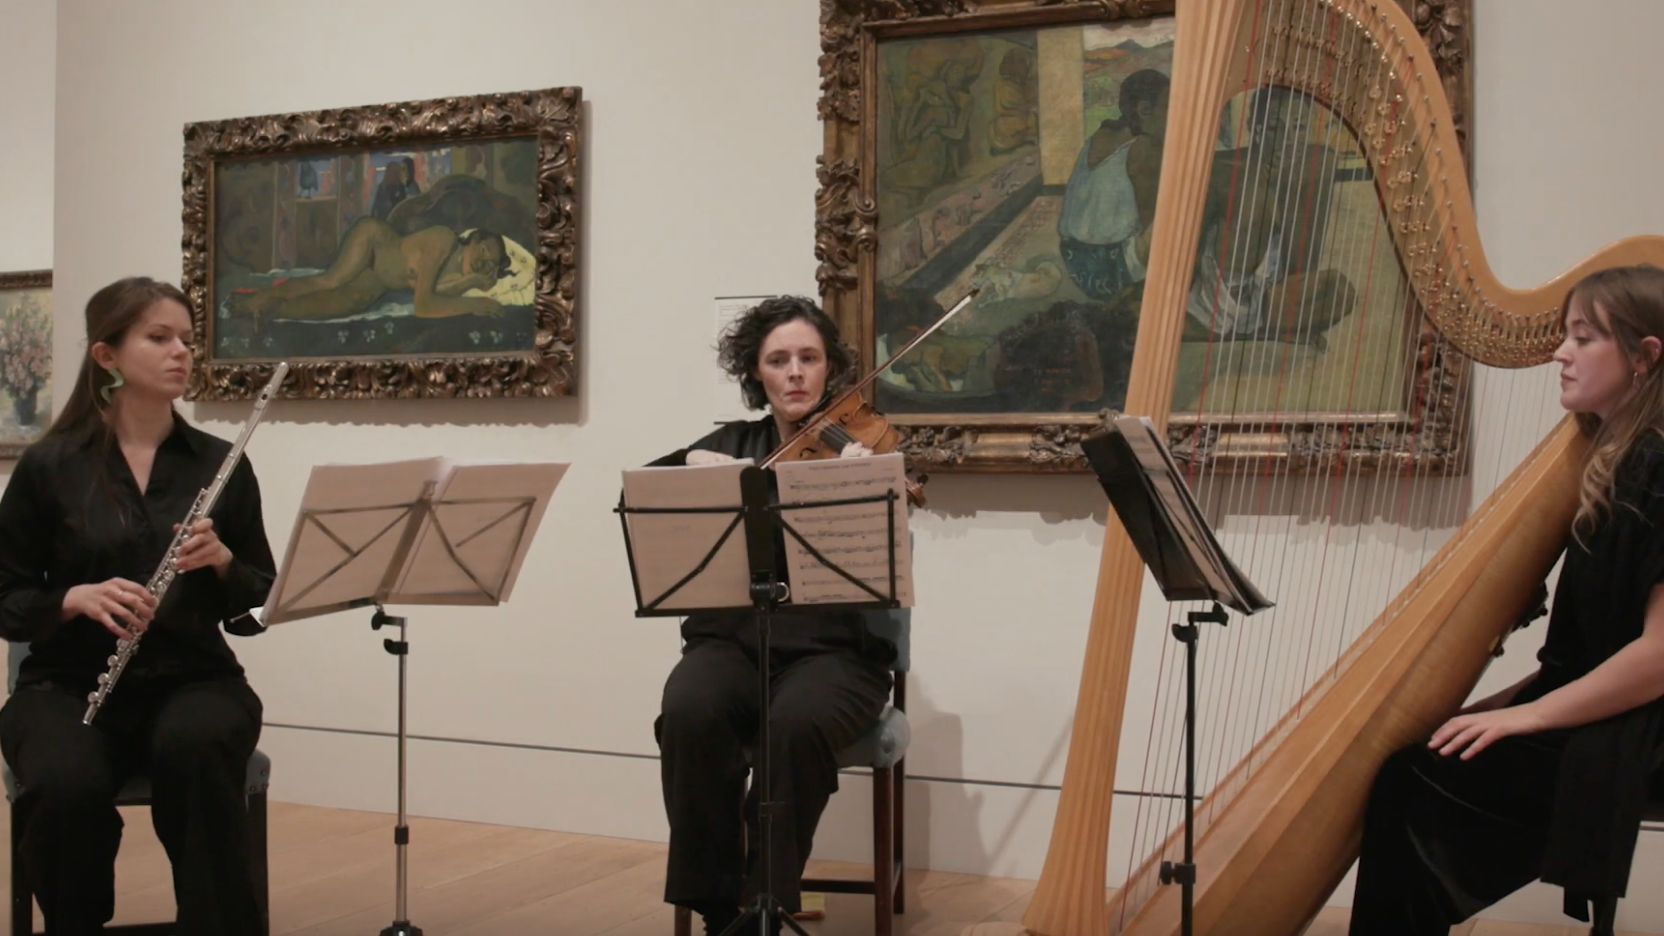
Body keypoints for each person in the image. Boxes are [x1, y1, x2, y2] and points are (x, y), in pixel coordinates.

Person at [1347, 264, 1664, 934]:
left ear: (1645, 358)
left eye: (1584, 337)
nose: (1560, 352)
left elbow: (1659, 657)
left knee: (1419, 785)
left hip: (1646, 725)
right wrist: (1502, 705)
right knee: (1421, 762)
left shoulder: (1657, 467)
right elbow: (1585, 655)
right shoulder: (1617, 458)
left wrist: (1532, 715)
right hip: (1605, 702)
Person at [0, 276, 276, 936]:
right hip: (68, 686)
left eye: (186, 338)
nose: (181, 351)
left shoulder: (219, 464)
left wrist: (224, 564)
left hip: (195, 677)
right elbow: (5, 597)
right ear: (107, 357)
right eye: (159, 337)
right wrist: (70, 598)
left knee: (199, 746)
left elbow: (257, 604)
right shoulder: (49, 466)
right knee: (65, 785)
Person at [648, 296, 898, 935]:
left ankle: (764, 903)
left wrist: (863, 489)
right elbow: (646, 486)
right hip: (732, 645)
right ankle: (717, 907)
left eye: (808, 359)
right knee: (689, 710)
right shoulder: (734, 443)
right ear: (756, 372)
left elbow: (891, 536)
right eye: (778, 360)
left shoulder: (860, 450)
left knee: (795, 723)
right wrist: (698, 467)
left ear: (829, 369)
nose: (795, 373)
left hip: (837, 655)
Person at [226, 218, 511, 325]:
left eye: (491, 263)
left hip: (381, 278)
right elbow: (424, 306)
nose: (484, 262)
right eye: (484, 251)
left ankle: (272, 308)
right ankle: (252, 299)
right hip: (375, 243)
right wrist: (476, 303)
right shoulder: (444, 239)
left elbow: (436, 294)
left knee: (347, 304)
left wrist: (472, 282)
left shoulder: (460, 278)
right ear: (472, 240)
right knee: (332, 280)